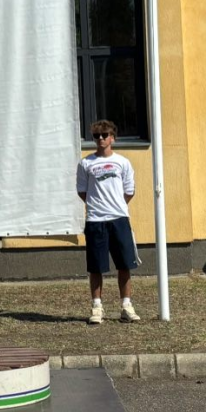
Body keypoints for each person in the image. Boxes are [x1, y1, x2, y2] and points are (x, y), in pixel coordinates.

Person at [77, 120, 140, 324]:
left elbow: (129, 190)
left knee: (124, 264)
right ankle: (97, 307)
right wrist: (98, 205)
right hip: (96, 220)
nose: (101, 139)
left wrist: (116, 205)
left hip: (119, 218)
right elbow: (82, 191)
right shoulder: (86, 163)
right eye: (97, 136)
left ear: (113, 138)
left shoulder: (123, 162)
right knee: (96, 266)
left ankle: (126, 306)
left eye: (105, 135)